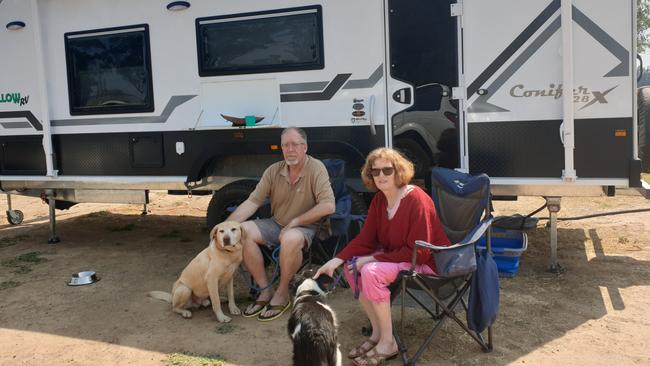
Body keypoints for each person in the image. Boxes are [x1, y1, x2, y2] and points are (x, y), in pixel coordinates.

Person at [314, 147, 450, 366]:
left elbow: (422, 253)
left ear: (398, 171)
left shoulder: (417, 200)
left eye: (387, 170)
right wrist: (335, 261)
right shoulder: (379, 200)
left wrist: (373, 259)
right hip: (399, 259)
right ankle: (377, 334)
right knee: (350, 267)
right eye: (375, 171)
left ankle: (389, 343)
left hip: (428, 265)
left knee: (369, 270)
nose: (381, 176)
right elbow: (365, 239)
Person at [227, 127, 335, 322]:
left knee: (290, 237)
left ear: (305, 147)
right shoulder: (273, 170)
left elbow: (328, 205)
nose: (290, 149)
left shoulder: (316, 168)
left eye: (295, 144)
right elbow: (252, 202)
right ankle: (265, 290)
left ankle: (283, 293)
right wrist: (225, 227)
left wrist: (296, 222)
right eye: (285, 145)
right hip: (277, 223)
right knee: (241, 231)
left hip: (306, 227)